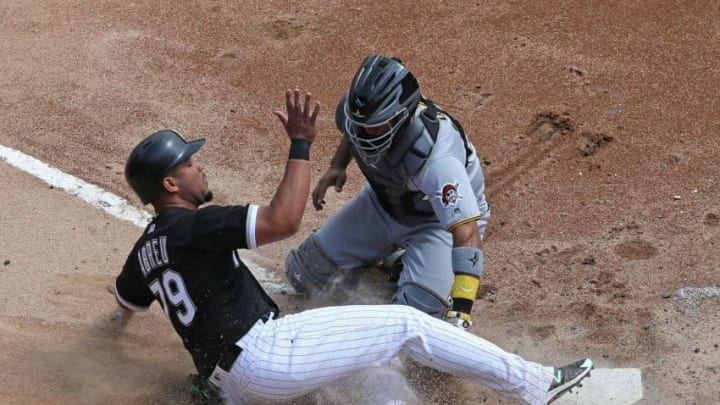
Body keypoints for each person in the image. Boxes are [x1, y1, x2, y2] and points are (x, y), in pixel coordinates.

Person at [113, 89, 594, 405]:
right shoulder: (197, 226)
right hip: (267, 357)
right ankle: (536, 385)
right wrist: (301, 145)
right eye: (191, 164)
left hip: (229, 386)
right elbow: (284, 219)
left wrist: (102, 341)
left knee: (369, 380)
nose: (200, 167)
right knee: (405, 324)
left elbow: (125, 303)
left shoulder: (145, 250)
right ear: (171, 183)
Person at [286, 55, 491, 328]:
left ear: (401, 117)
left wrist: (463, 311)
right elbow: (354, 132)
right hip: (383, 204)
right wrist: (338, 165)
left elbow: (467, 235)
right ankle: (396, 258)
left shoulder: (437, 159)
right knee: (304, 274)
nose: (364, 133)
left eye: (375, 126)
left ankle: (418, 270)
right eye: (361, 124)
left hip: (436, 224)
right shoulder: (359, 117)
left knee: (414, 323)